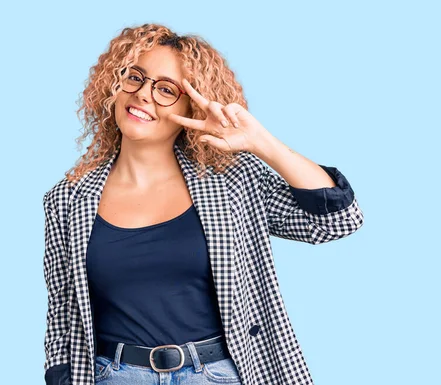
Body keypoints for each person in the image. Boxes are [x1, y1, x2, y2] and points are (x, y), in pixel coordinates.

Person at [42, 23, 364, 385]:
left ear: (191, 109)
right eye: (135, 77)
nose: (144, 95)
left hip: (217, 375)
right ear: (114, 86)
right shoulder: (67, 199)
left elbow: (338, 221)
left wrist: (261, 143)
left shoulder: (232, 180)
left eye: (166, 89)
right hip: (114, 376)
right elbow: (65, 314)